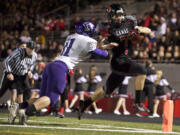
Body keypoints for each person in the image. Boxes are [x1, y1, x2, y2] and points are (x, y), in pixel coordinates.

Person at [10, 21, 117, 125]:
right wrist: (107, 50)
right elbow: (102, 54)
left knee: (42, 98)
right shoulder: (89, 41)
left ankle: (18, 106)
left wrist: (102, 46)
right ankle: (25, 112)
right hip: (61, 68)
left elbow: (85, 47)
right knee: (51, 100)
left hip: (51, 66)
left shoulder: (71, 36)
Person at [78, 4, 152, 120]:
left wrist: (138, 29)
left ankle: (85, 104)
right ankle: (138, 103)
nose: (120, 17)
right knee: (142, 71)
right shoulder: (108, 29)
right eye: (117, 15)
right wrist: (105, 45)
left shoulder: (130, 22)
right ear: (111, 16)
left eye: (121, 15)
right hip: (119, 61)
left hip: (124, 61)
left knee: (107, 90)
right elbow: (99, 46)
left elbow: (148, 30)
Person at [0, 41, 37, 124]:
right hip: (11, 73)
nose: (31, 51)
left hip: (21, 76)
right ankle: (13, 112)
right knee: (1, 91)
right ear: (26, 48)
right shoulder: (18, 52)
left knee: (23, 92)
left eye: (33, 49)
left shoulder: (34, 55)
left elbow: (32, 64)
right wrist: (9, 72)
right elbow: (6, 61)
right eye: (30, 49)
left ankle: (20, 114)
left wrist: (30, 71)